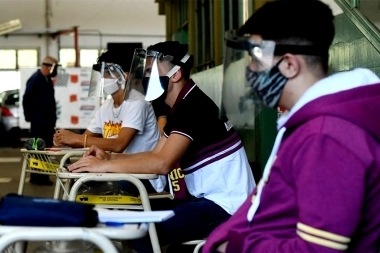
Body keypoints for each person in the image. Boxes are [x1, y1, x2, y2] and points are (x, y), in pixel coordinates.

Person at [202, 1, 380, 252]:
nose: (250, 70)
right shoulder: (309, 123)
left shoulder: (326, 137)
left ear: (289, 64)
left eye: (255, 59)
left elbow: (317, 249)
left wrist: (233, 247)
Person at [67, 41, 256, 252]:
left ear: (175, 75)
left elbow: (162, 164)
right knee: (135, 217)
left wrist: (102, 167)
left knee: (141, 229)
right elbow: (155, 153)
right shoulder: (182, 105)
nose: (145, 77)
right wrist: (108, 159)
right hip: (208, 200)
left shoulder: (193, 106)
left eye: (150, 71)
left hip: (228, 207)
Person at [53, 50, 165, 193]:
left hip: (144, 177)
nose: (103, 78)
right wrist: (65, 139)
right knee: (75, 178)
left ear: (125, 75)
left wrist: (76, 138)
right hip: (118, 170)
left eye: (107, 73)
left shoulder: (137, 103)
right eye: (102, 73)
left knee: (85, 185)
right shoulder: (106, 106)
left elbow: (118, 144)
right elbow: (86, 138)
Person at [23, 56, 58, 186]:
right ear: (48, 66)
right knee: (38, 150)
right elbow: (26, 99)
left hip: (47, 122)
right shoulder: (35, 80)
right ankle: (37, 177)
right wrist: (29, 116)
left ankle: (42, 176)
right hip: (39, 122)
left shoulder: (46, 79)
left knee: (45, 150)